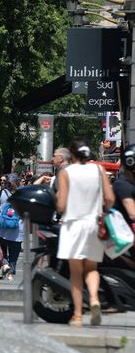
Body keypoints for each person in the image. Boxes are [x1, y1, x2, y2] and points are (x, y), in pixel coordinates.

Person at [56, 140, 114, 327]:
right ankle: (95, 299)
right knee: (91, 268)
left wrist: (57, 206)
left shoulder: (66, 172)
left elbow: (62, 204)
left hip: (73, 225)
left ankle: (79, 315)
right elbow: (110, 198)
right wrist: (103, 208)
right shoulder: (99, 170)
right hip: (94, 224)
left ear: (72, 155)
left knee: (76, 273)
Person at [0, 180, 23, 282]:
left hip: (2, 228)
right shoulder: (22, 194)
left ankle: (5, 264)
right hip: (17, 229)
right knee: (14, 253)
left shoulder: (1, 193)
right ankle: (11, 274)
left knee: (1, 249)